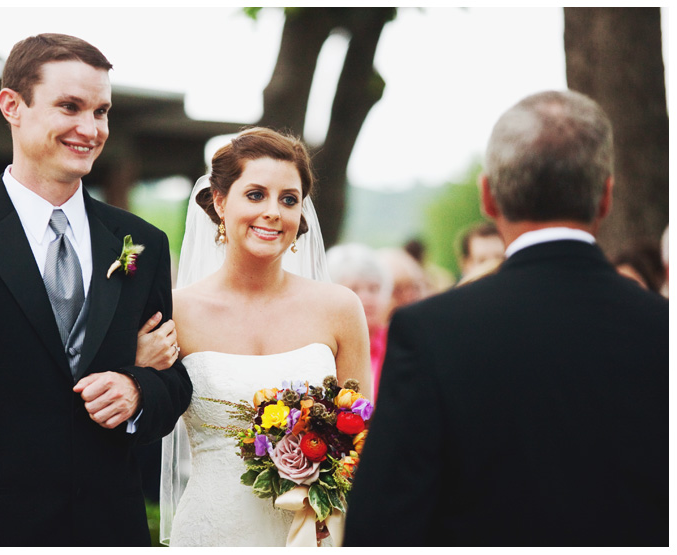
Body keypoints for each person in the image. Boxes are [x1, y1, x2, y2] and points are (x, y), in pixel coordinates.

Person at [0, 33, 192, 546]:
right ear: (12, 106)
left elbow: (174, 383)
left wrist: (138, 390)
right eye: (70, 107)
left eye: (101, 111)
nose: (90, 129)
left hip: (110, 531)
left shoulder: (142, 243)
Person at [344, 90, 668, 546]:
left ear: (488, 196)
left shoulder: (432, 332)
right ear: (606, 197)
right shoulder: (664, 328)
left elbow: (381, 526)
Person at [160, 127, 372, 547]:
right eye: (255, 194)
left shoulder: (339, 308)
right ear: (220, 201)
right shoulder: (175, 312)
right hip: (212, 529)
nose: (274, 211)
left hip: (312, 533)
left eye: (288, 199)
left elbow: (363, 441)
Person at [327, 243, 391, 400]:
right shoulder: (325, 344)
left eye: (374, 288)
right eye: (354, 289)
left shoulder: (397, 340)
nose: (367, 298)